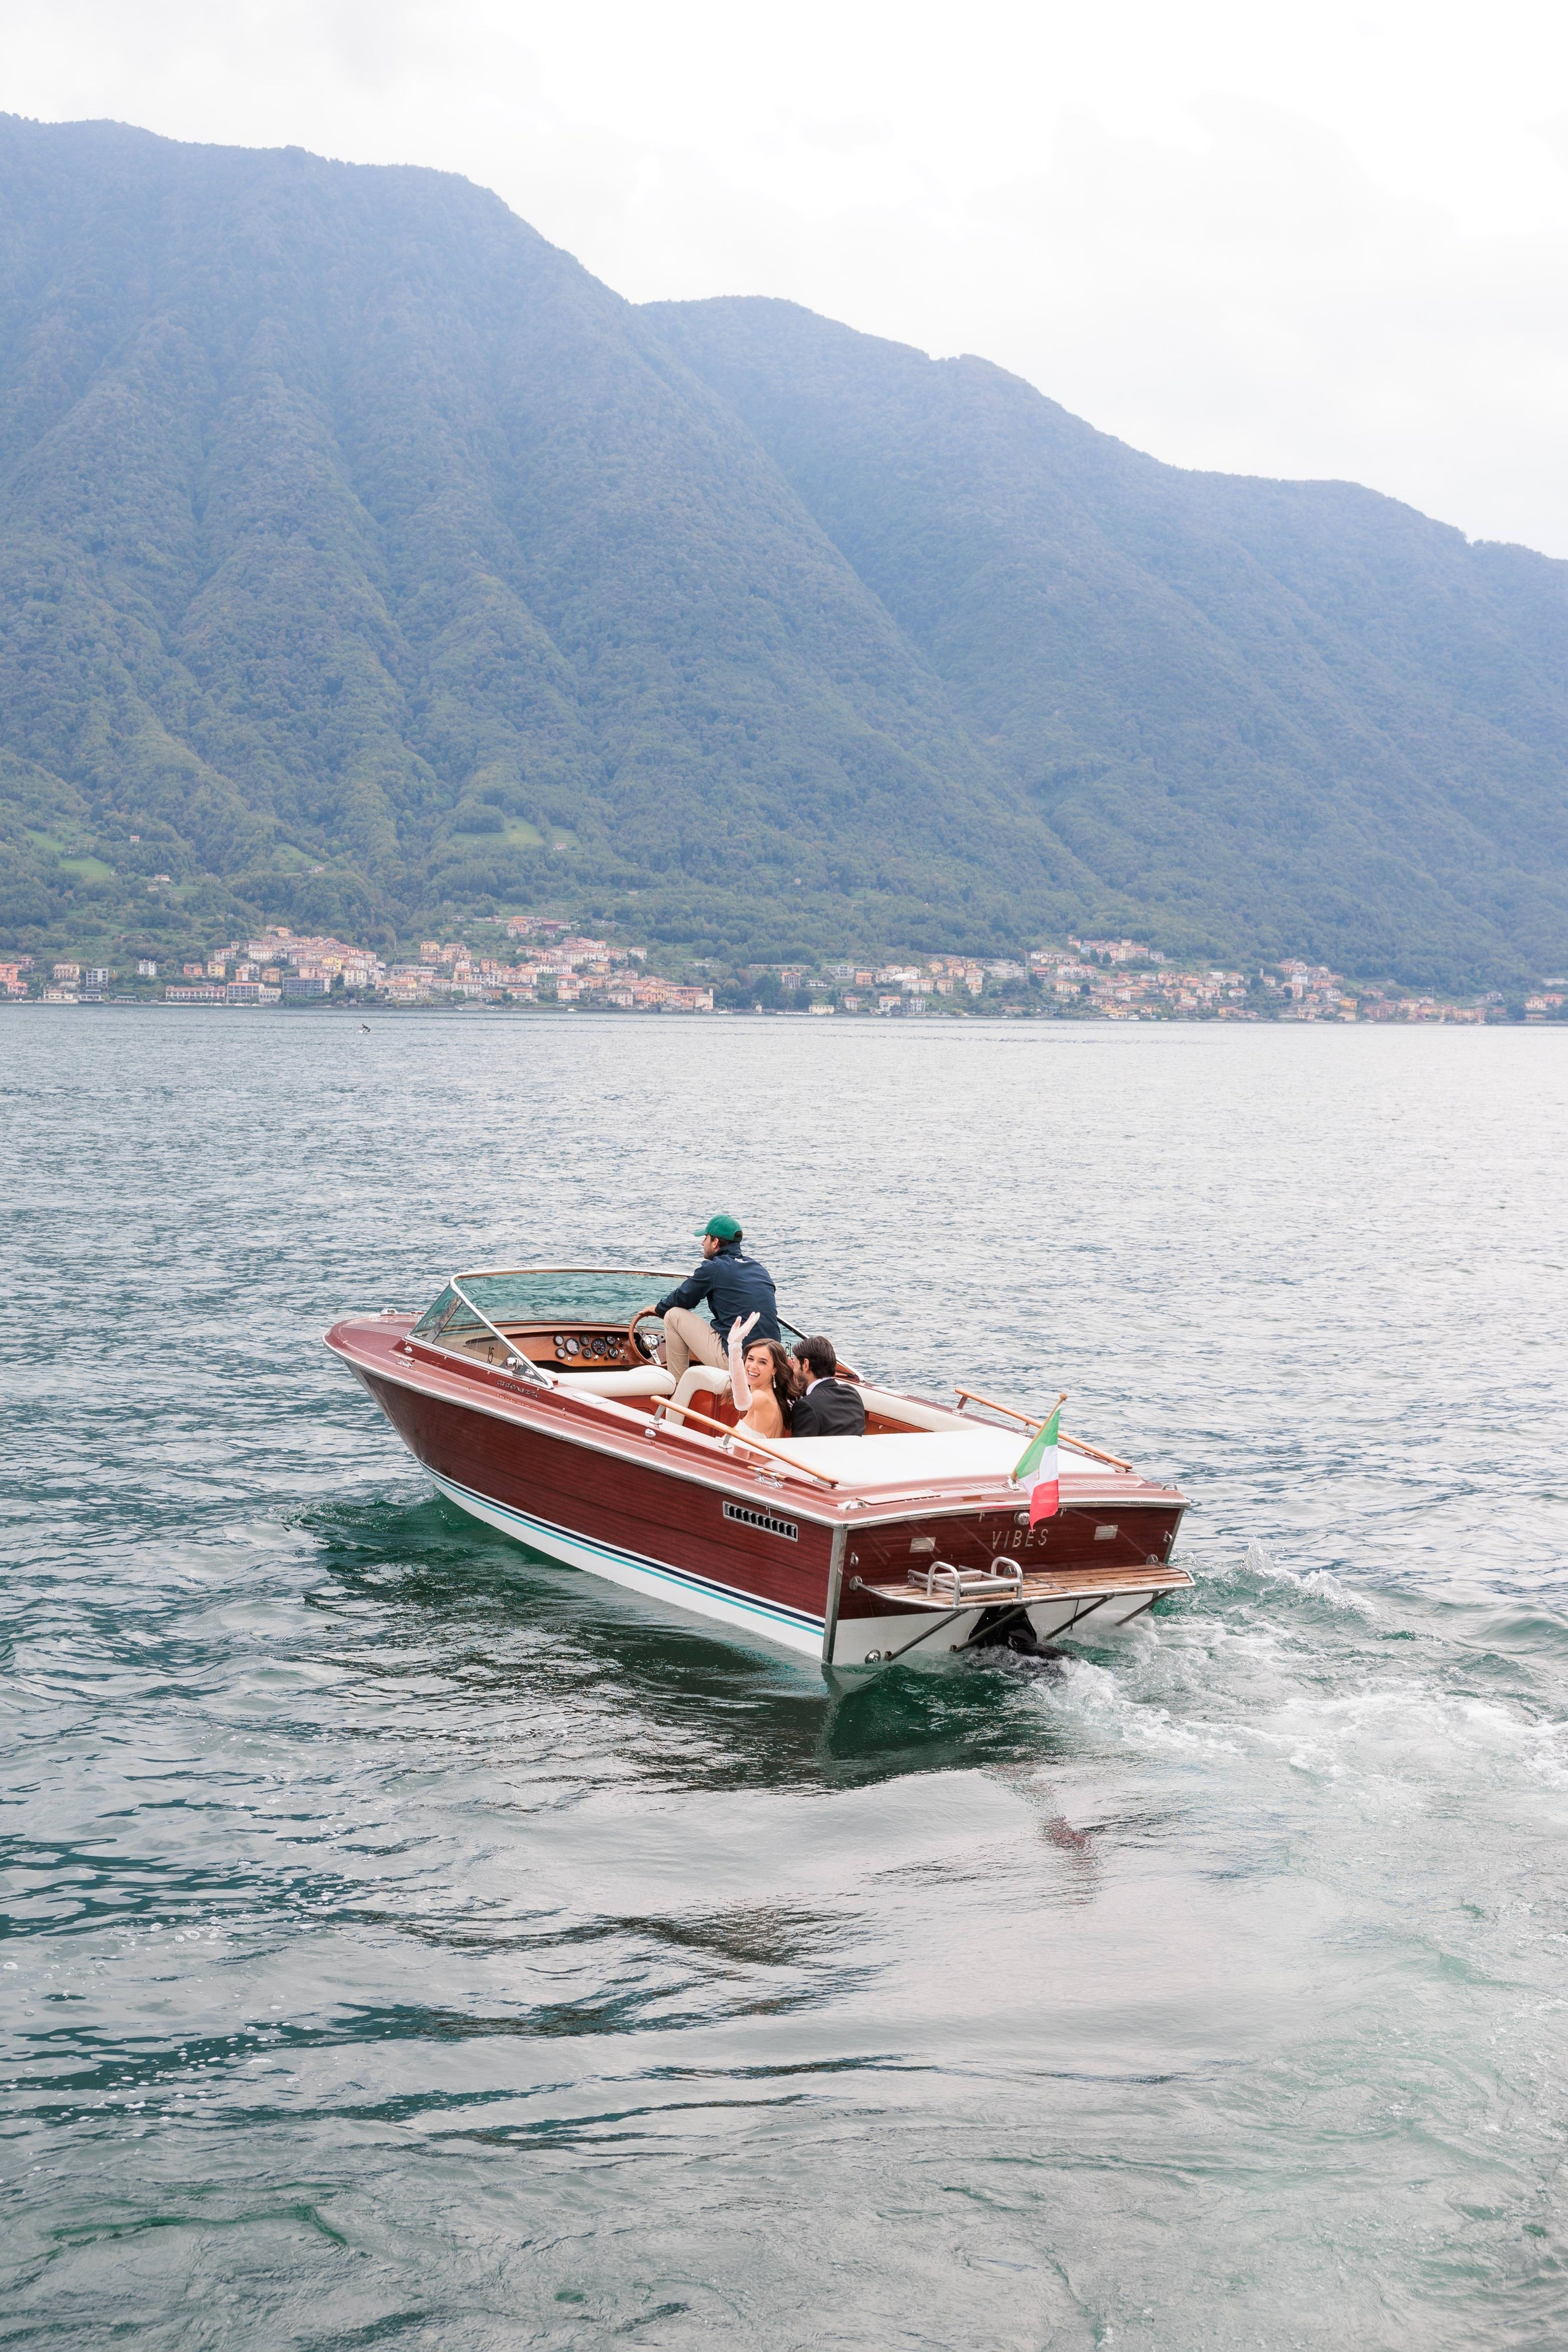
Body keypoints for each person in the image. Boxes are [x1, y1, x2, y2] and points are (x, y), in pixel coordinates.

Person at [652, 1215, 780, 1379]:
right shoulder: (759, 1269)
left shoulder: (715, 1268)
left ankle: (675, 1388)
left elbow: (683, 1298)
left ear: (715, 1242)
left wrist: (657, 1309)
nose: (702, 1243)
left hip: (738, 1362)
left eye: (706, 1238)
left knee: (672, 1315)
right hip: (771, 1360)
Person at [726, 1312, 795, 1440]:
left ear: (775, 1370)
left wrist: (734, 1347)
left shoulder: (763, 1398)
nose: (753, 1366)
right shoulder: (774, 1397)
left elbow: (742, 1403)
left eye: (762, 1362)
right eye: (751, 1359)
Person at [788, 1334, 866, 1437]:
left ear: (806, 1365)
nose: (794, 1371)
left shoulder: (806, 1406)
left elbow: (799, 1448)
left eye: (795, 1365)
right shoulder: (852, 1394)